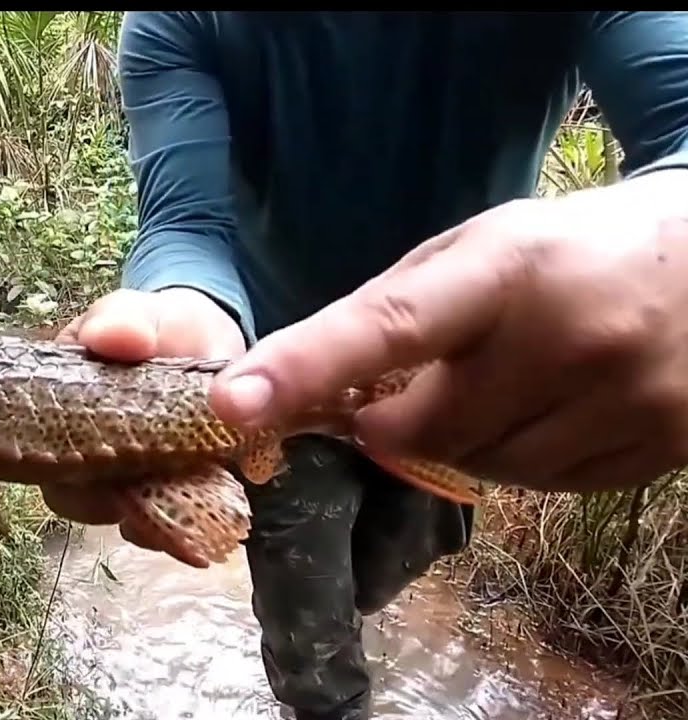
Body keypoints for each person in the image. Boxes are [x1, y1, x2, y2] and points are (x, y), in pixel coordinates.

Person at [45, 12, 688, 720]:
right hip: (264, 391)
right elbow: (184, 225)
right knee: (313, 648)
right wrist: (184, 307)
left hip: (448, 394)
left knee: (381, 573)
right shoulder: (179, 20)